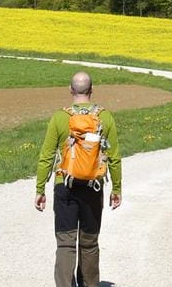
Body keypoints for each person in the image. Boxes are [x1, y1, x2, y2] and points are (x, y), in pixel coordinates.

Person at [34, 71, 123, 287]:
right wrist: (116, 189)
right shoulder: (105, 117)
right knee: (89, 243)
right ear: (92, 90)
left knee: (65, 244)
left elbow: (46, 156)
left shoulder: (59, 117)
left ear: (71, 90)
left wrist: (40, 189)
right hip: (93, 188)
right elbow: (114, 157)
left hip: (65, 185)